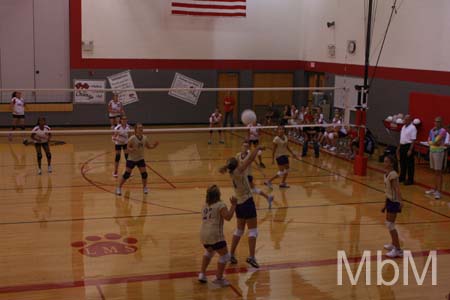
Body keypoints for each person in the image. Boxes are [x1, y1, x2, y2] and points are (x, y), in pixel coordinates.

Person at [219, 145, 265, 268]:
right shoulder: (239, 171)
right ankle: (251, 257)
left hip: (239, 203)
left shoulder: (232, 172)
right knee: (253, 231)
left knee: (239, 230)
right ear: (237, 164)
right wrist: (257, 149)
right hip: (247, 202)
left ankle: (232, 254)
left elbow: (247, 160)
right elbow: (250, 159)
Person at [198, 185, 237, 287]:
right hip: (215, 234)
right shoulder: (220, 205)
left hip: (203, 234)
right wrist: (234, 205)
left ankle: (202, 274)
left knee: (209, 251)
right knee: (225, 256)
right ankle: (219, 278)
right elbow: (228, 217)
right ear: (218, 194)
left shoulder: (205, 205)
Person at [116, 123, 159, 196]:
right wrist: (131, 149)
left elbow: (148, 147)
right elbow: (127, 147)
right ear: (136, 129)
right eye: (139, 128)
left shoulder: (145, 138)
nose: (141, 129)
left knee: (144, 174)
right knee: (126, 175)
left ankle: (145, 187)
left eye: (142, 128)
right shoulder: (132, 138)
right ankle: (119, 188)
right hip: (131, 159)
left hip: (140, 159)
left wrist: (154, 146)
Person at [237, 141, 273, 208]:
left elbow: (254, 161)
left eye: (246, 146)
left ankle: (246, 204)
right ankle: (268, 197)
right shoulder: (238, 155)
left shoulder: (250, 154)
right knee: (253, 189)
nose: (245, 147)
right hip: (242, 176)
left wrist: (261, 171)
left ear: (248, 147)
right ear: (241, 147)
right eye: (244, 146)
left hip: (248, 175)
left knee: (247, 190)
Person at [382, 155, 403, 258]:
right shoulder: (386, 174)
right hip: (389, 201)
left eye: (386, 162)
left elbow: (397, 189)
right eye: (384, 161)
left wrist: (400, 202)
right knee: (389, 223)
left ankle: (398, 250)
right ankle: (393, 244)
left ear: (391, 163)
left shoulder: (393, 175)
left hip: (394, 202)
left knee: (390, 225)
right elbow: (388, 191)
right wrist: (384, 204)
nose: (384, 163)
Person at [425, 117, 447, 200]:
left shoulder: (443, 131)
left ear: (441, 123)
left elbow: (436, 141)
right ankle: (434, 189)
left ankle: (439, 191)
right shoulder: (432, 130)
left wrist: (432, 142)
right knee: (434, 171)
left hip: (439, 152)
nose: (436, 123)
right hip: (432, 151)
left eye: (438, 122)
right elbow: (429, 141)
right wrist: (432, 142)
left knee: (439, 172)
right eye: (435, 121)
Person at [397, 115, 417, 185]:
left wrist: (410, 150)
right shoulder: (403, 127)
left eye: (406, 119)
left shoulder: (413, 128)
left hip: (408, 146)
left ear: (409, 120)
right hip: (402, 146)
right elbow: (401, 138)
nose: (404, 121)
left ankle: (410, 180)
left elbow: (413, 140)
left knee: (409, 164)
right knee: (402, 163)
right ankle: (402, 177)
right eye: (404, 119)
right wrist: (398, 148)